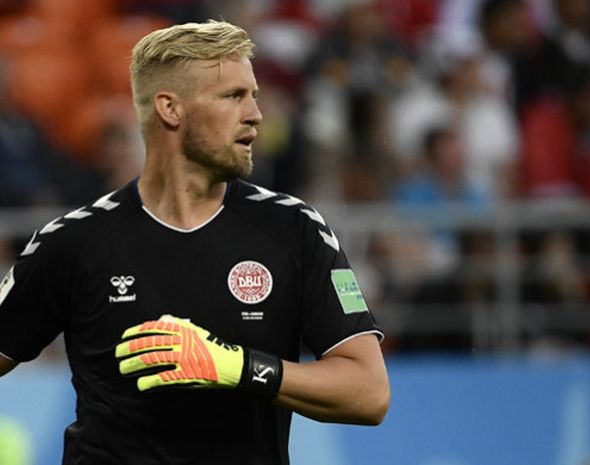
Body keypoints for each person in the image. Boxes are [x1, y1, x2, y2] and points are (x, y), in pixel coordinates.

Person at [0, 20, 390, 464]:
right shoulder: (74, 241)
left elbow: (369, 392)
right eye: (232, 96)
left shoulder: (293, 229)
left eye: (254, 95)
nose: (255, 114)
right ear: (171, 109)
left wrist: (238, 367)